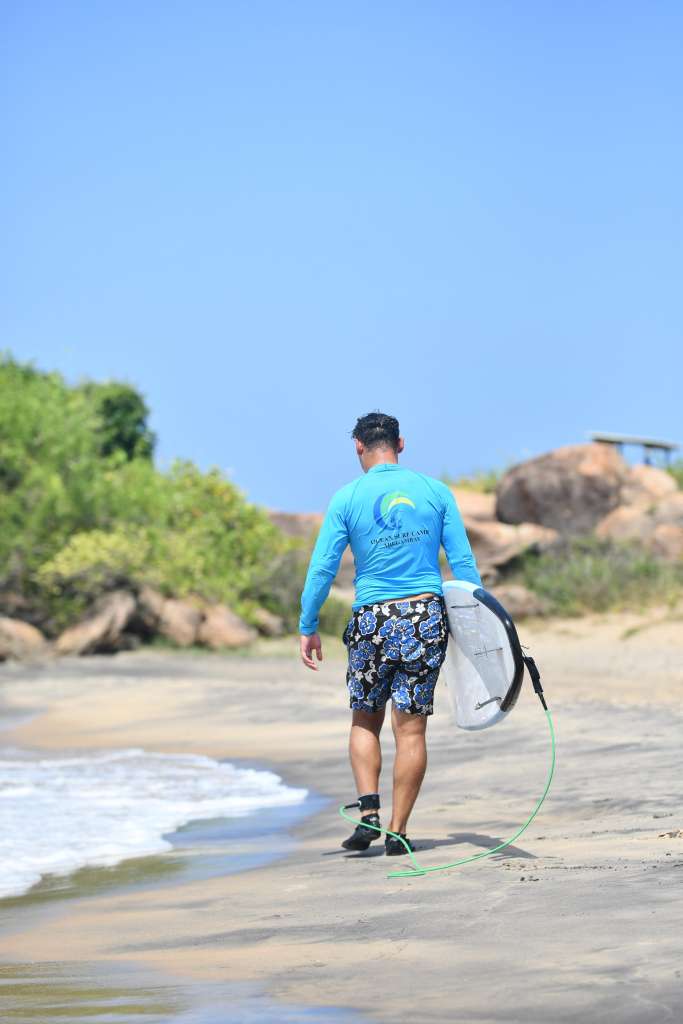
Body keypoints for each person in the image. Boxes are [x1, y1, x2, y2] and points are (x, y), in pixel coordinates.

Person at [299, 412, 482, 855]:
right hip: (424, 616)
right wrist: (480, 625)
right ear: (401, 443)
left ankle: (369, 814)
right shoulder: (435, 492)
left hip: (372, 620)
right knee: (411, 732)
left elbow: (323, 567)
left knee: (365, 718)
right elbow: (464, 564)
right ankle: (397, 831)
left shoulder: (347, 497)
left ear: (358, 447)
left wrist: (308, 624)